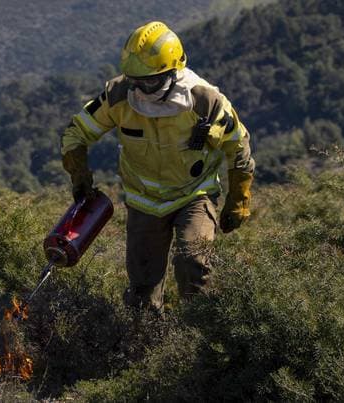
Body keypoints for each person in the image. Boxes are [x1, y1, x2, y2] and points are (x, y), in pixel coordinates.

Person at [60, 21, 255, 313]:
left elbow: (238, 145)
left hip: (194, 194)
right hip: (144, 201)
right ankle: (147, 346)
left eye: (148, 82)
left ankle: (198, 339)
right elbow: (76, 132)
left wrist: (238, 200)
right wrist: (79, 175)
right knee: (142, 289)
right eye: (135, 80)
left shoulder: (204, 100)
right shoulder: (118, 94)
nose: (140, 89)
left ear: (172, 71)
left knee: (193, 262)